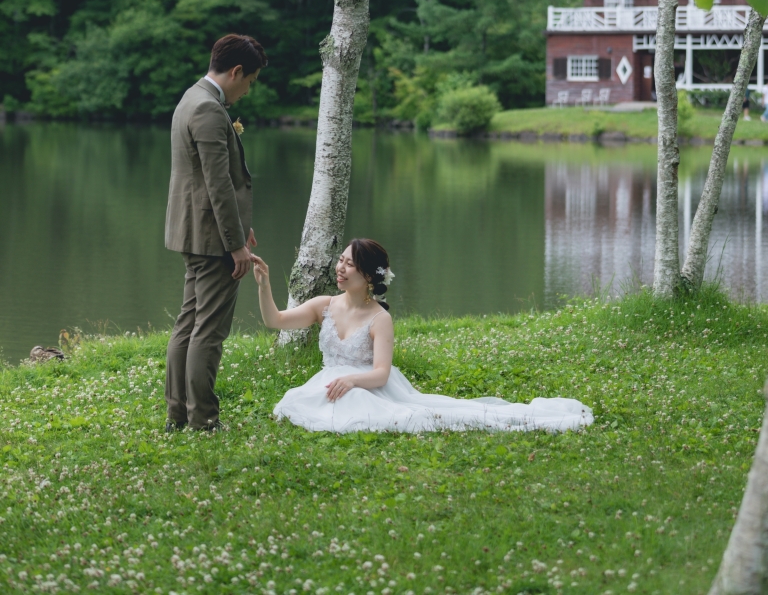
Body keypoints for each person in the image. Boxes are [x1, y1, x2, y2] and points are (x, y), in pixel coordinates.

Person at [253, 239, 592, 434]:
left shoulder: (379, 318)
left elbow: (381, 372)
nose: (340, 268)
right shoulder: (323, 305)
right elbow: (275, 320)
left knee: (395, 416)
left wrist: (353, 382)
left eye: (350, 264)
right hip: (327, 382)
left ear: (369, 275)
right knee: (299, 406)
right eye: (340, 261)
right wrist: (264, 284)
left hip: (368, 386)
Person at [164, 33, 267, 432]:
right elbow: (217, 183)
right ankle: (203, 419)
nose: (248, 90)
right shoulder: (208, 109)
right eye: (250, 81)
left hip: (195, 230)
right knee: (208, 330)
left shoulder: (191, 97)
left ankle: (178, 414)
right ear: (236, 71)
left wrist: (242, 227)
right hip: (211, 238)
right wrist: (235, 244)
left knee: (189, 323)